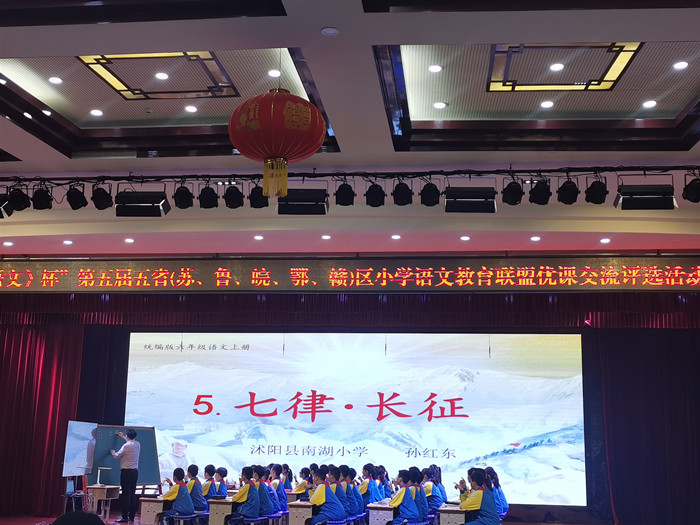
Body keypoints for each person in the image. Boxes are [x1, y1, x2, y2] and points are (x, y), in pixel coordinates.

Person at [109, 429, 140, 523]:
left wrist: (112, 452)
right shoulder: (137, 444)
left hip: (126, 472)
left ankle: (124, 517)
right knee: (132, 494)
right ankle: (131, 517)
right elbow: (130, 442)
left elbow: (117, 456)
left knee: (126, 495)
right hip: (134, 472)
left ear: (127, 436)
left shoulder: (126, 446)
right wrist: (123, 437)